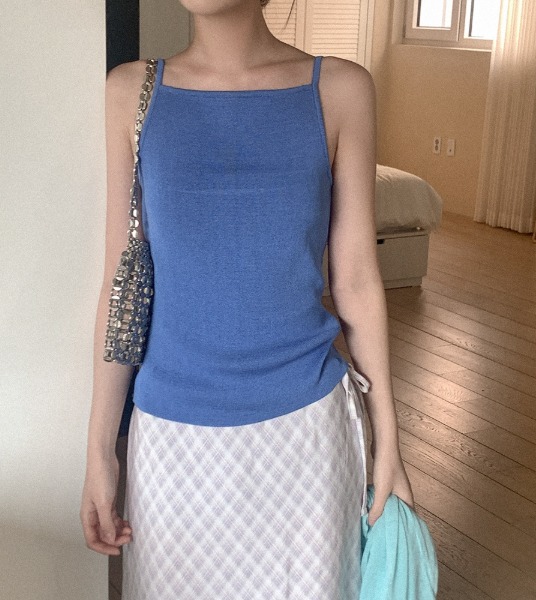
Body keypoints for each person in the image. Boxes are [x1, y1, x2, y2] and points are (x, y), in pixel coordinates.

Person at [81, 0, 415, 597]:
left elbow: (357, 279)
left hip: (306, 437)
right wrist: (100, 450)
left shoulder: (340, 90)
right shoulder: (131, 92)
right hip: (172, 444)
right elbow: (122, 282)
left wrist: (389, 440)